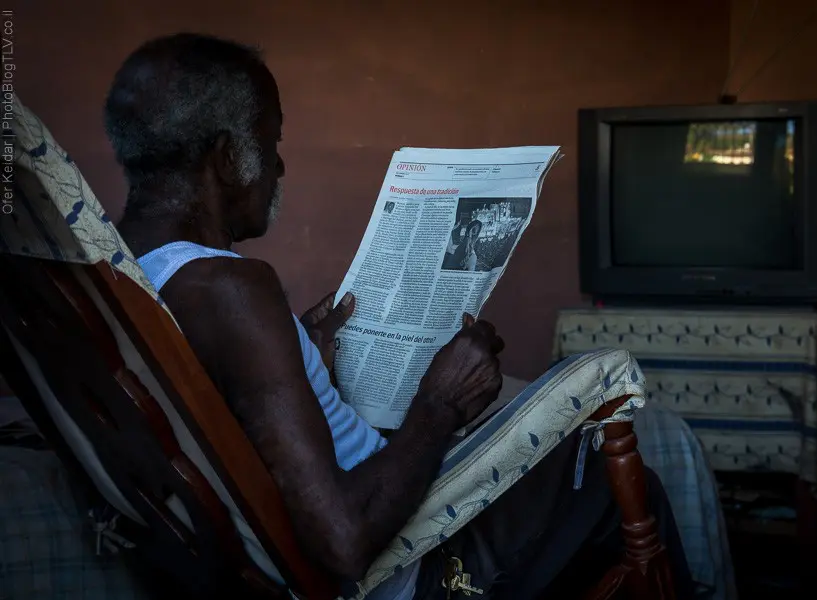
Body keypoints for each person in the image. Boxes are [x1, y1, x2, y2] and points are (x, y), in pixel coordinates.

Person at [105, 33, 693, 600]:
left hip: (263, 551)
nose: (278, 168)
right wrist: (441, 404)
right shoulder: (230, 287)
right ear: (230, 156)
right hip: (416, 565)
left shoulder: (121, 270)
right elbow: (343, 543)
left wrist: (300, 351)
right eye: (271, 142)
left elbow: (240, 405)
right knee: (604, 480)